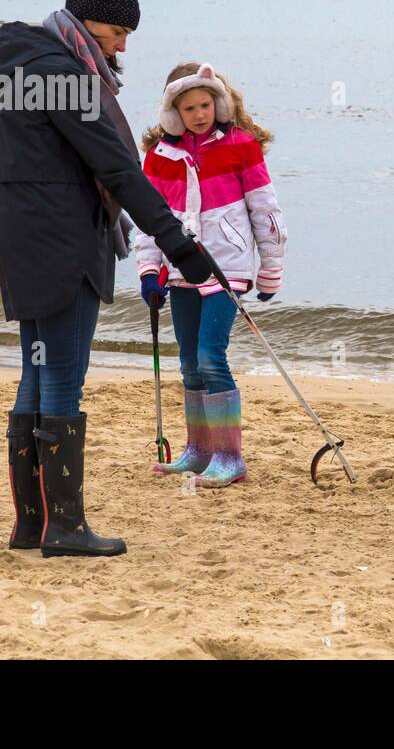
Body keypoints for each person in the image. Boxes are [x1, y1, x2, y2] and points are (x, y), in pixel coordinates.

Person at [0, 0, 212, 558]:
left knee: (35, 371)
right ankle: (64, 527)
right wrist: (178, 245)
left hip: (20, 237)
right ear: (87, 23)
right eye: (117, 31)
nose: (123, 46)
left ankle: (31, 525)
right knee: (62, 380)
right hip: (62, 243)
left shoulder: (22, 64)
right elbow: (117, 168)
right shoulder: (64, 76)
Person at [136, 62, 286, 488]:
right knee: (188, 362)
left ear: (218, 102)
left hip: (228, 268)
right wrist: (151, 270)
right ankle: (199, 451)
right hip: (182, 269)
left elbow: (266, 211)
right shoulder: (160, 157)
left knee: (209, 357)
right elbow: (151, 219)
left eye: (204, 104)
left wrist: (270, 268)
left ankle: (229, 456)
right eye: (188, 108)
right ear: (173, 111)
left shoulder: (241, 146)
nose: (198, 114)